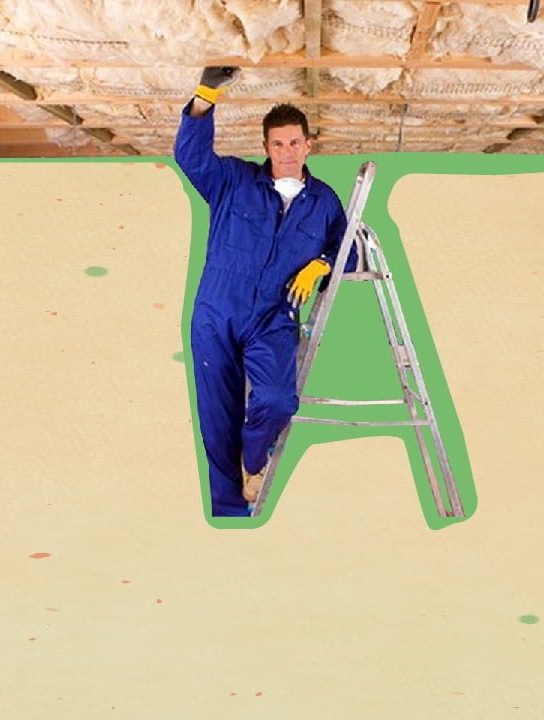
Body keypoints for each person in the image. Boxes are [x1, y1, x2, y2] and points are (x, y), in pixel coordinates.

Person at [174, 66, 353, 517]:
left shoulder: (326, 201)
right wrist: (205, 94)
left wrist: (323, 263)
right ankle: (232, 514)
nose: (287, 151)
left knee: (277, 399)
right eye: (278, 143)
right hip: (216, 313)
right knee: (218, 420)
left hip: (274, 317)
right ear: (266, 147)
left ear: (309, 145)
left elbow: (349, 252)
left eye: (295, 142)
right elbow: (191, 158)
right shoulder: (232, 181)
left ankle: (254, 461)